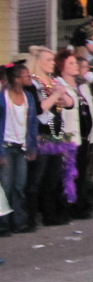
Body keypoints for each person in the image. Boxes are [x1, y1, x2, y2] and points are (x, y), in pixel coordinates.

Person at [26, 47, 75, 227]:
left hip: (56, 135)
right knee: (36, 179)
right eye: (49, 60)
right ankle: (29, 216)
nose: (53, 63)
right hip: (41, 135)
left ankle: (50, 214)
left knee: (52, 178)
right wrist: (55, 95)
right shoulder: (32, 85)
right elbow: (38, 109)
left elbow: (70, 104)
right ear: (38, 62)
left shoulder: (53, 81)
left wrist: (61, 93)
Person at [54, 49, 93, 220]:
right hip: (68, 136)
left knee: (79, 172)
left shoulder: (80, 86)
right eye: (71, 63)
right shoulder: (58, 84)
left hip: (83, 135)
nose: (76, 66)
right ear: (62, 66)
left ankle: (78, 205)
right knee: (67, 173)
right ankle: (65, 207)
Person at [0, 64, 39, 234]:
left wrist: (32, 147)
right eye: (26, 76)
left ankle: (19, 221)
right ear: (17, 79)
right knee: (6, 187)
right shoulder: (3, 97)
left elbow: (32, 123)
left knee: (19, 186)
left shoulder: (28, 97)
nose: (30, 78)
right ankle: (3, 224)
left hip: (22, 147)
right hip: (6, 146)